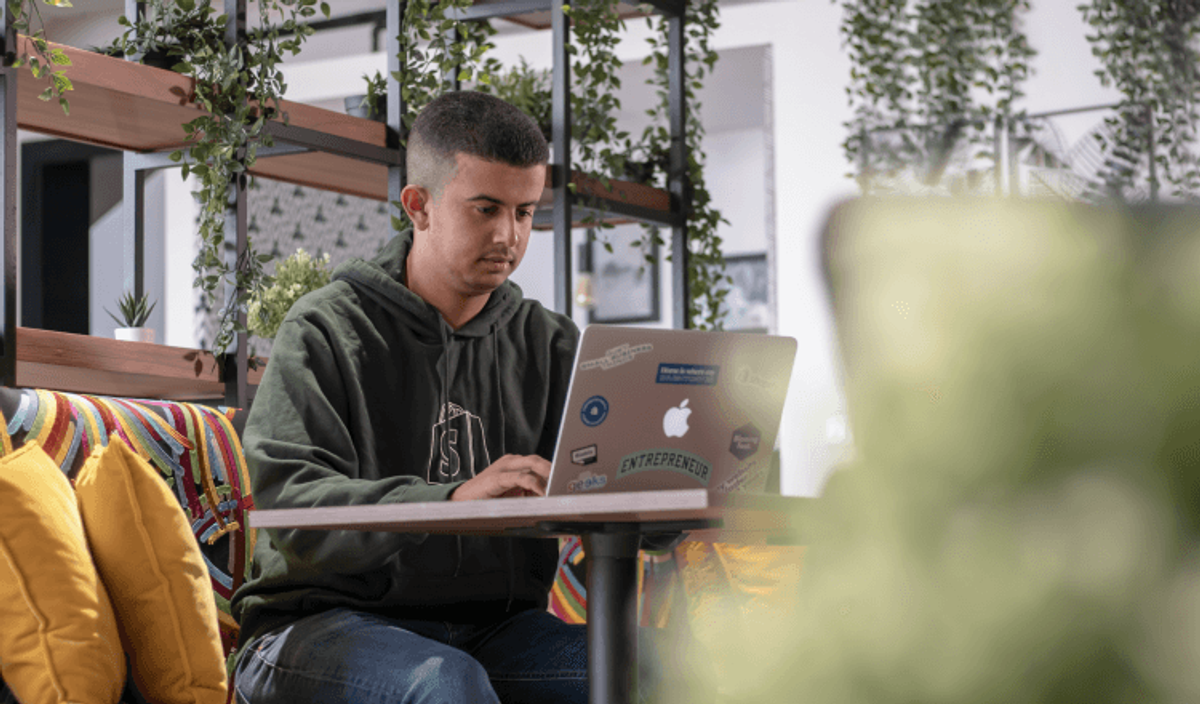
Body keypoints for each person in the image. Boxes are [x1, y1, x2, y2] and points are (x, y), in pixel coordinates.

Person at [229, 91, 701, 704]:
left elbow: (627, 511)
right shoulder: (325, 329)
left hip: (493, 631)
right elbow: (293, 509)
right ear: (418, 206)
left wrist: (677, 490)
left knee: (667, 666)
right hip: (316, 625)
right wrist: (450, 499)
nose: (509, 235)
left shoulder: (552, 343)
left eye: (525, 212)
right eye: (486, 209)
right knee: (445, 683)